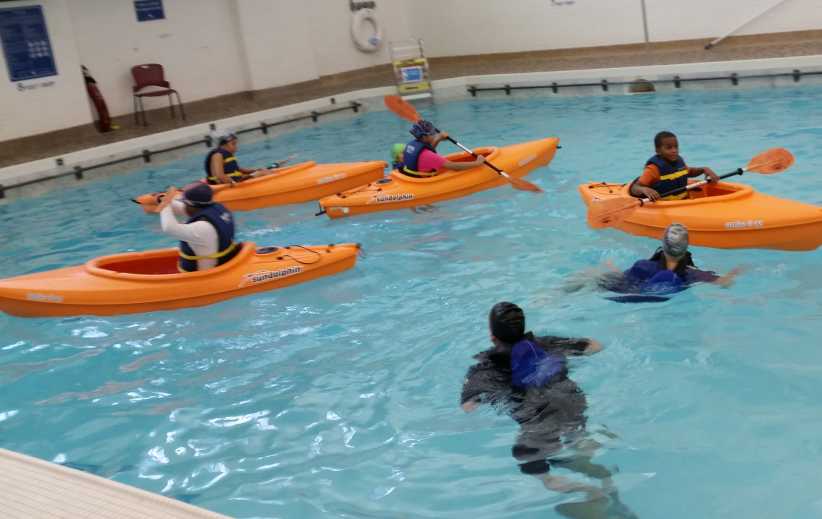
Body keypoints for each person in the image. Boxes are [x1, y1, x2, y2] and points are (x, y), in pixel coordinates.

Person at [461, 303, 637, 518]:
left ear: (492, 336)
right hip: (573, 402)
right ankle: (610, 490)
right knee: (579, 444)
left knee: (531, 462)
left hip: (538, 418)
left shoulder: (487, 367)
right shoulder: (546, 344)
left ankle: (592, 493)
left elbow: (468, 407)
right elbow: (595, 346)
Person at [596, 223, 742, 298]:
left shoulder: (643, 266)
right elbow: (725, 283)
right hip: (664, 299)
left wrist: (610, 266)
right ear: (685, 248)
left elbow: (622, 282)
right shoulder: (691, 274)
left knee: (596, 273)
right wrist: (735, 273)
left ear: (663, 245)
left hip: (627, 293)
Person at [156, 183, 241, 272]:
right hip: (223, 263)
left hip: (203, 275)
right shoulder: (217, 209)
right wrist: (164, 200)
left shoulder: (202, 228)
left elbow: (169, 228)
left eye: (184, 202)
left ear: (192, 205)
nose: (183, 205)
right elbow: (184, 208)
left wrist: (164, 205)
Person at [629, 131, 720, 201]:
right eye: (669, 148)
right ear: (658, 151)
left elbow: (689, 172)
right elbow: (635, 187)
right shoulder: (653, 169)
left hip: (681, 201)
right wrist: (644, 189)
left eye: (676, 147)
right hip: (663, 204)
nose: (674, 150)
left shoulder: (679, 161)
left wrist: (705, 169)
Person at [399, 120, 486, 177]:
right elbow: (454, 166)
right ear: (424, 137)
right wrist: (477, 163)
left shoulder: (413, 144)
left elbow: (425, 153)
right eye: (432, 134)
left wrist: (438, 139)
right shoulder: (429, 156)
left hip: (411, 176)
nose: (434, 134)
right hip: (423, 182)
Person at [205, 133, 288, 185]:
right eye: (233, 144)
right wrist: (235, 184)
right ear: (223, 145)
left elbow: (238, 169)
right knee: (262, 173)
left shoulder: (225, 154)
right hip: (225, 184)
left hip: (235, 179)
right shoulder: (217, 155)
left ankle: (278, 179)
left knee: (262, 171)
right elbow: (220, 175)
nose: (236, 147)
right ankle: (283, 183)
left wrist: (254, 170)